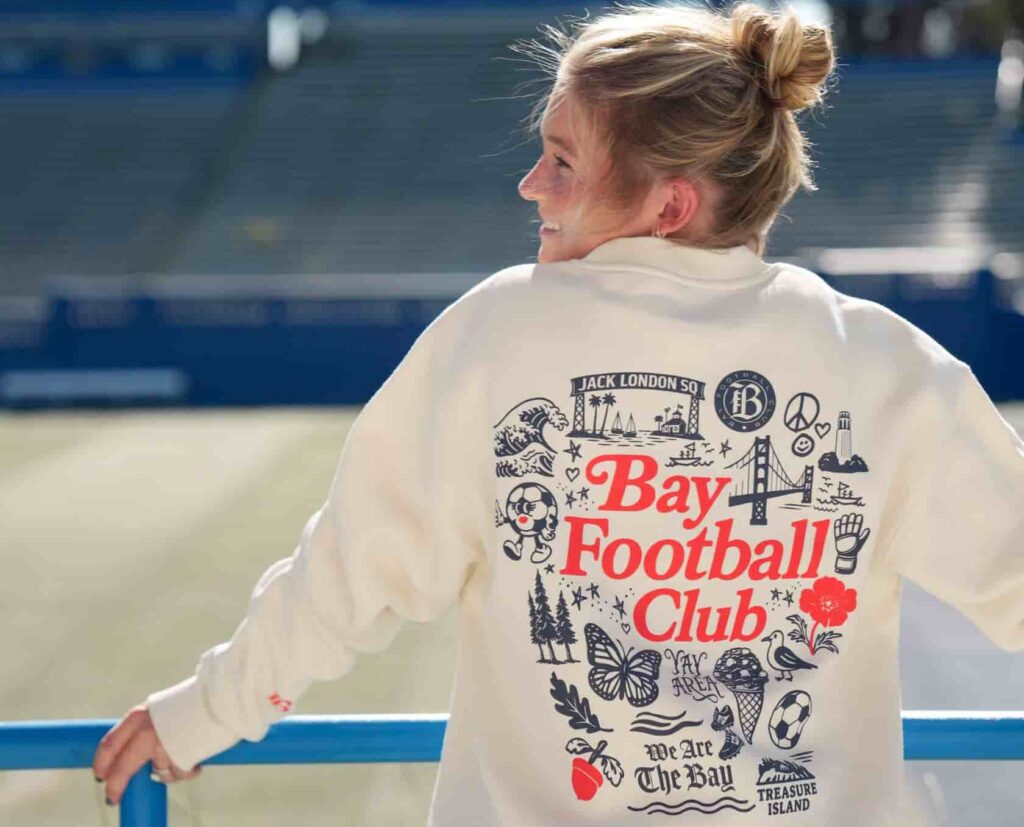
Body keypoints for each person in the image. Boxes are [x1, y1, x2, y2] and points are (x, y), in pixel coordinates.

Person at [92, 2, 1024, 824]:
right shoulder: (884, 360)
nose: (530, 185)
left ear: (668, 204)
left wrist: (199, 716)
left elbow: (343, 579)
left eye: (563, 161)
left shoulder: (498, 333)